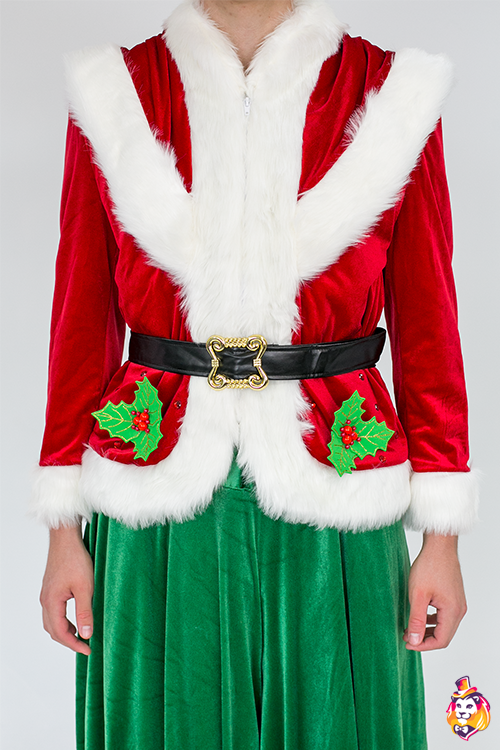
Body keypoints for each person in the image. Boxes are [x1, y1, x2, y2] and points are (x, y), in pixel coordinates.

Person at [33, 0, 479, 747]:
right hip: (154, 490)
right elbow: (80, 321)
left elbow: (430, 328)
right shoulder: (117, 91)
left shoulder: (392, 95)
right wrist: (62, 529)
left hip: (340, 486)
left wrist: (442, 538)